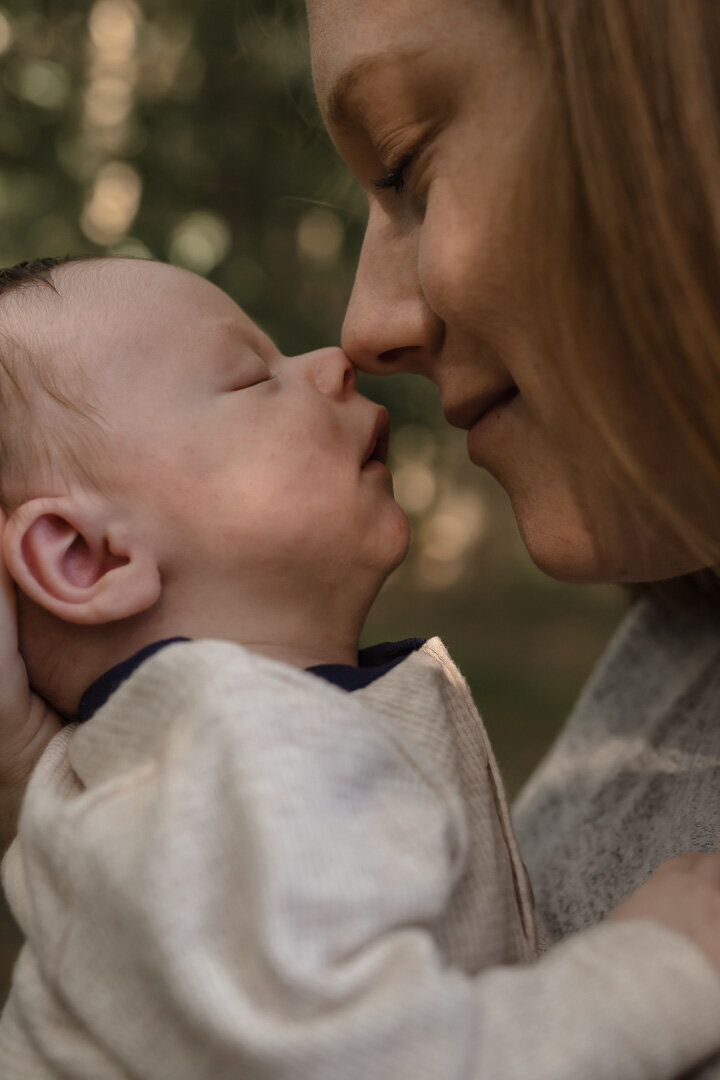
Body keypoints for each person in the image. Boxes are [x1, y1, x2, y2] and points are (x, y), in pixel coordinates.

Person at [0, 254, 720, 1080]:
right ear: (87, 556)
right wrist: (659, 965)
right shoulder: (238, 757)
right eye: (248, 380)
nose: (333, 358)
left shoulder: (145, 790)